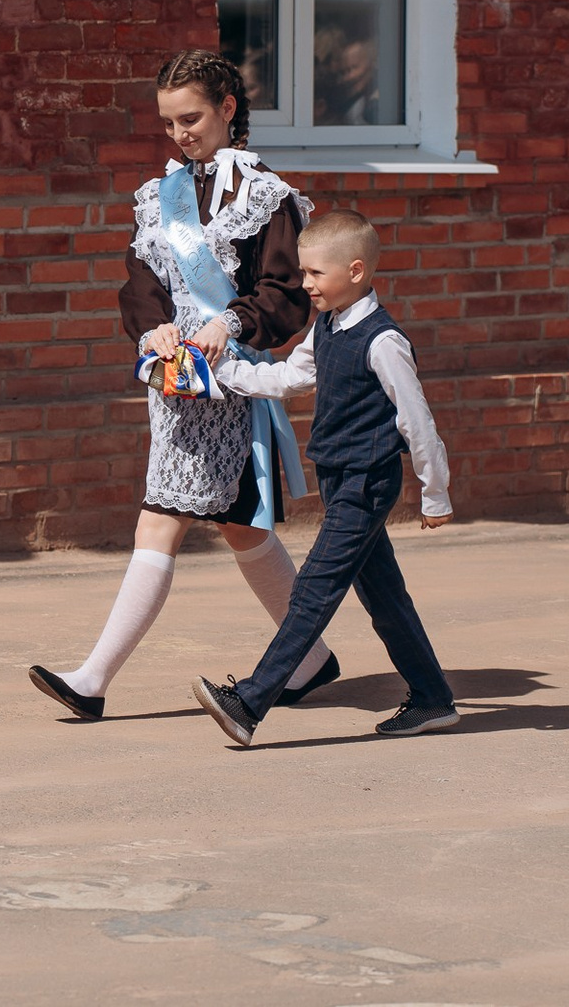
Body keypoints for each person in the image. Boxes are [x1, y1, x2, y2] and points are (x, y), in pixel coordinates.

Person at [28, 49, 336, 720]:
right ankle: (311, 659)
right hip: (172, 384)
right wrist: (154, 329)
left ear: (228, 108)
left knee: (165, 517)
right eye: (168, 122)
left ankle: (93, 681)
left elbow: (287, 293)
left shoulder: (267, 198)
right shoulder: (159, 196)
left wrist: (232, 320)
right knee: (240, 527)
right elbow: (140, 284)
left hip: (230, 386)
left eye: (191, 118)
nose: (179, 133)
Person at [191, 209, 456, 746]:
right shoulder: (329, 325)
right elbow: (289, 376)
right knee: (385, 597)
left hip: (366, 482)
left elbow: (417, 420)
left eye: (315, 273)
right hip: (338, 479)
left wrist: (435, 494)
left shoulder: (383, 341)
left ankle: (249, 703)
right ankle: (432, 698)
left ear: (355, 270)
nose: (306, 284)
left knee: (315, 588)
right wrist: (217, 372)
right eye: (303, 272)